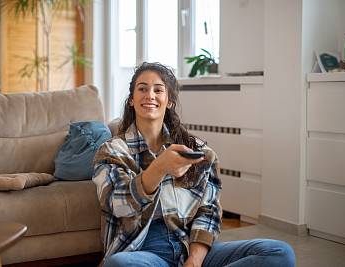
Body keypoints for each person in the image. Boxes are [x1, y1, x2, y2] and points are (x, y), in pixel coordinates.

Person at [92, 62, 295, 267]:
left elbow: (209, 212)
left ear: (169, 101)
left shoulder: (197, 151)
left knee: (279, 253)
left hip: (190, 249)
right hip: (143, 252)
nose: (150, 95)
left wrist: (194, 261)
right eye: (142, 89)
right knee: (119, 265)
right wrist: (159, 168)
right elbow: (118, 205)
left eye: (158, 90)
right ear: (132, 100)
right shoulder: (112, 151)